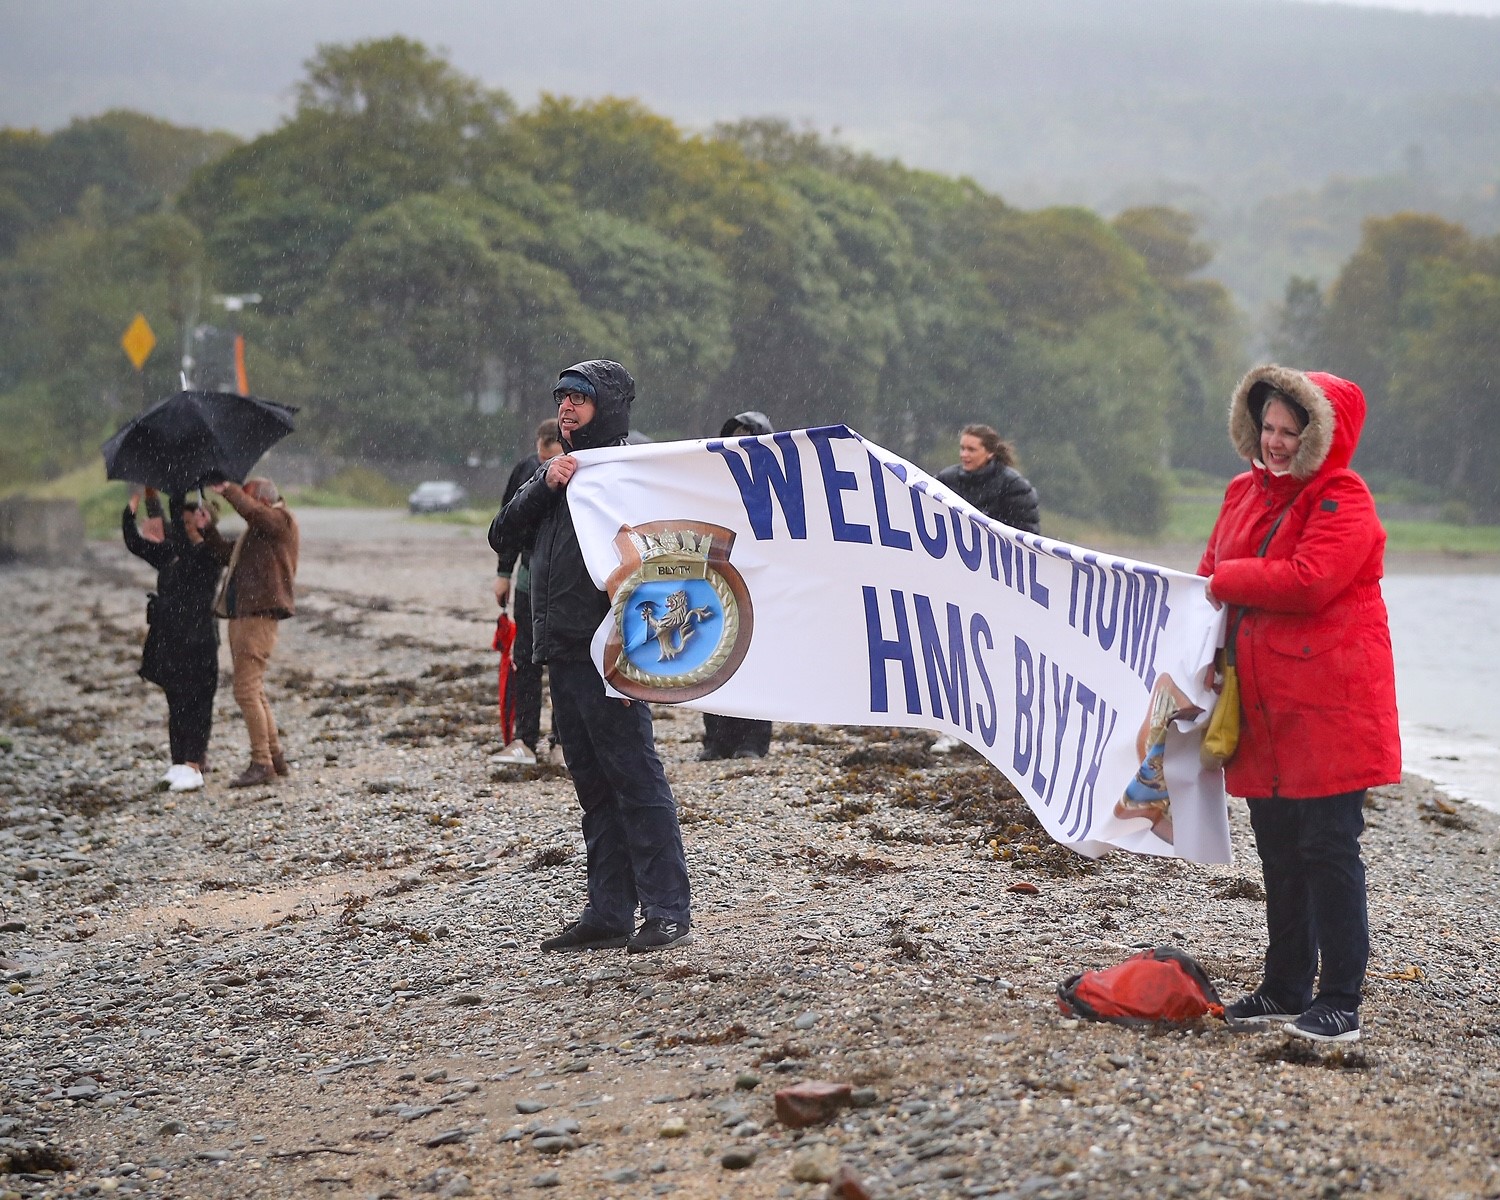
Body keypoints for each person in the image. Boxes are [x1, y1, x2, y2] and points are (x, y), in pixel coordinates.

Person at [1200, 365, 1400, 1045]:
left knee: (1328, 848)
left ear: (1320, 436)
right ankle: (1284, 986)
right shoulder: (1239, 493)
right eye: (1268, 427)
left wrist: (1225, 582)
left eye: (1290, 430)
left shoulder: (1344, 497)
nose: (1276, 441)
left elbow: (1309, 582)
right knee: (1279, 850)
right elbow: (1206, 575)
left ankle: (1340, 997)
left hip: (1332, 707)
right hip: (1262, 705)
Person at [490, 360, 694, 954]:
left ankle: (667, 908)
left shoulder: (629, 471)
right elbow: (502, 535)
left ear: (606, 406)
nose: (567, 407)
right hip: (559, 647)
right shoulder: (553, 472)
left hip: (614, 649)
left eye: (579, 398)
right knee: (593, 785)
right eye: (561, 398)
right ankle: (608, 911)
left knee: (634, 776)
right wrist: (544, 483)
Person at [121, 488, 225, 792]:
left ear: (203, 525)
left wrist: (176, 486)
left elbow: (180, 533)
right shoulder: (171, 554)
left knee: (198, 701)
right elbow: (134, 542)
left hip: (200, 639)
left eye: (190, 523)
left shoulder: (209, 555)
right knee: (176, 700)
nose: (182, 528)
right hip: (171, 640)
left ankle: (194, 763)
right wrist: (136, 501)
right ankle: (179, 762)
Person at [207, 477, 300, 789]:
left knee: (245, 691)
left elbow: (256, 515)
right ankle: (274, 756)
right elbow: (226, 555)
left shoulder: (279, 521)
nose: (243, 508)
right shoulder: (261, 532)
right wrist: (208, 529)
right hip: (248, 616)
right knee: (254, 690)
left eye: (247, 500)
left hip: (256, 618)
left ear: (260, 499)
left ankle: (261, 762)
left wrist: (229, 491)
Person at [699, 411, 776, 761]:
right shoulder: (712, 483)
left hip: (759, 586)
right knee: (713, 658)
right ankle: (716, 739)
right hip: (719, 581)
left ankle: (753, 741)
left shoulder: (777, 489)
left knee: (757, 663)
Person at [493, 418, 565, 767]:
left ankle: (562, 742)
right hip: (527, 581)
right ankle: (524, 738)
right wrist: (503, 573)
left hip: (566, 584)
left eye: (547, 454)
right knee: (525, 660)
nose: (542, 460)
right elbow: (508, 520)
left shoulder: (583, 468)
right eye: (539, 454)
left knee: (565, 664)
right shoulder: (526, 469)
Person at [936, 424, 1041, 534]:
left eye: (971, 450)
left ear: (990, 453)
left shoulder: (1014, 486)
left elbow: (1026, 533)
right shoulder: (946, 479)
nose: (964, 454)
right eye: (962, 448)